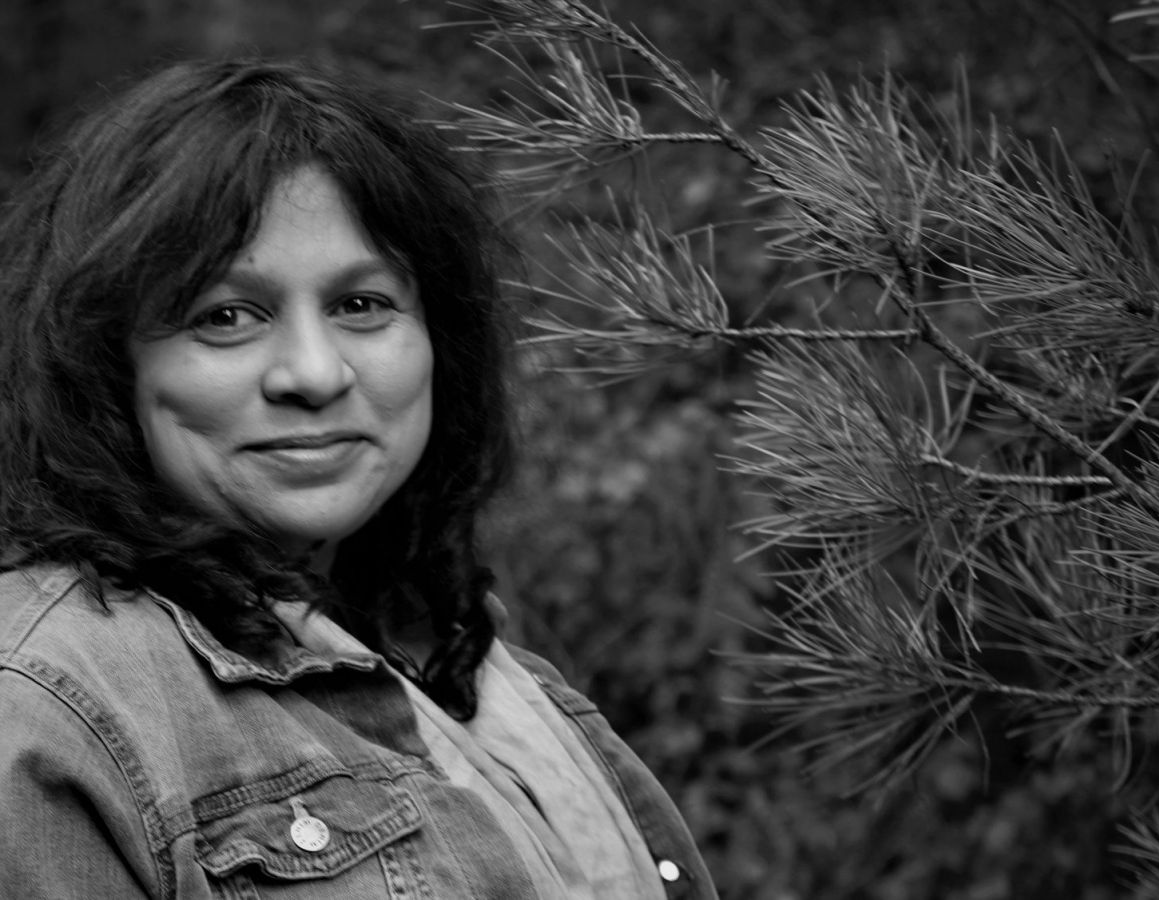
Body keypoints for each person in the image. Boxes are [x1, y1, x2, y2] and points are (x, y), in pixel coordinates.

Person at [0, 58, 716, 899]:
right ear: (103, 361)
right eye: (226, 316)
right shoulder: (47, 707)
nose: (314, 372)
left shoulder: (466, 664)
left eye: (362, 304)